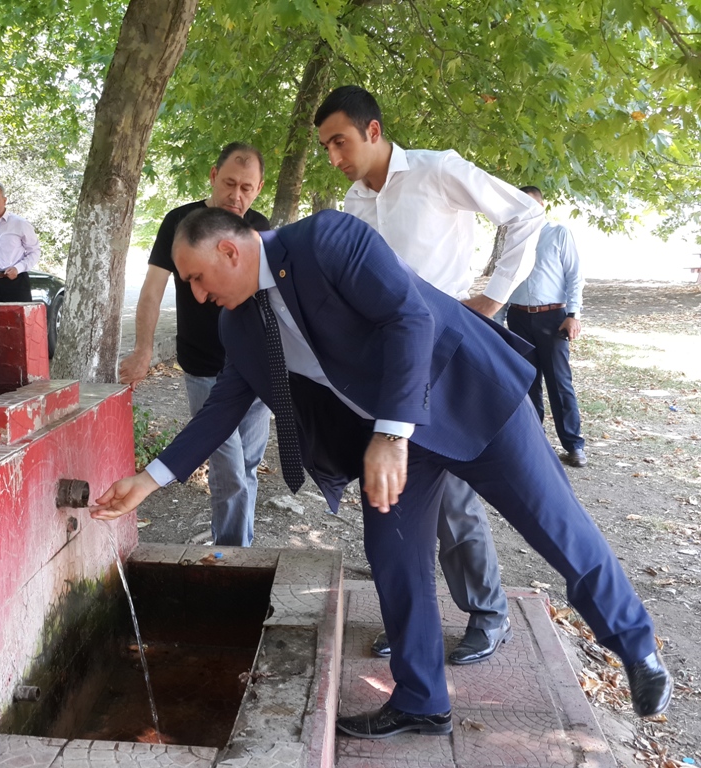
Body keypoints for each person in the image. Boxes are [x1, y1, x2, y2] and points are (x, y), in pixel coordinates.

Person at [90, 207, 671, 739]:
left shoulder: (326, 239)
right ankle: (422, 700)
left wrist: (391, 434)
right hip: (396, 443)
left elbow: (408, 317)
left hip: (470, 398)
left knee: (556, 527)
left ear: (229, 251)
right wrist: (148, 480)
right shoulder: (238, 327)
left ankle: (637, 648)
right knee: (393, 555)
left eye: (196, 278)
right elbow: (222, 409)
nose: (196, 294)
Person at [313, 85, 544, 665]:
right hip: (384, 369)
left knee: (454, 498)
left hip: (445, 358)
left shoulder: (436, 171)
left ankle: (488, 613)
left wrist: (491, 299)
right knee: (398, 500)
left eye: (339, 142)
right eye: (325, 148)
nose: (334, 157)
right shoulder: (353, 204)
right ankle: (413, 620)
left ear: (372, 130)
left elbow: (526, 213)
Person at [118, 143, 271, 547]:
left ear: (258, 189)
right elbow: (152, 289)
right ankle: (233, 555)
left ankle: (235, 547)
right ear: (213, 175)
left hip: (254, 370)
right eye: (229, 183)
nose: (236, 196)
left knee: (248, 466)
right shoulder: (179, 222)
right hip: (204, 367)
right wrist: (143, 350)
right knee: (230, 470)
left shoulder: (260, 228)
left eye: (247, 188)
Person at [507, 185, 588, 468]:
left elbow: (574, 275)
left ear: (541, 206)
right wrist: (497, 318)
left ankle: (574, 445)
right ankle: (534, 444)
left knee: (559, 382)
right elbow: (504, 279)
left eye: (530, 204)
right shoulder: (511, 237)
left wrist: (573, 314)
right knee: (526, 382)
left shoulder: (558, 233)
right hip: (517, 318)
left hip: (553, 318)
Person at [0, 180, 41, 303]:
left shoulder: (20, 224)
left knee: (18, 316)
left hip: (16, 283)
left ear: (4, 200)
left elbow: (34, 252)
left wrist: (18, 268)